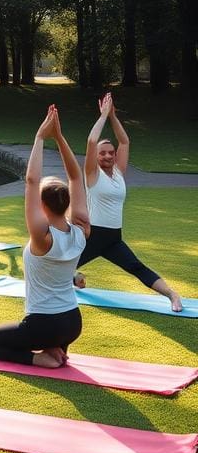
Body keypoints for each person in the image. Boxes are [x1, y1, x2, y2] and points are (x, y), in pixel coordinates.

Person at [0, 105, 90, 368]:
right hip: (73, 323)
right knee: (43, 333)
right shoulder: (81, 229)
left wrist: (39, 138)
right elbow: (76, 176)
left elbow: (31, 180)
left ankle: (39, 358)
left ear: (43, 205)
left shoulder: (42, 237)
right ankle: (56, 349)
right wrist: (58, 137)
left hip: (44, 325)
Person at [76, 93, 183, 311]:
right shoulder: (91, 175)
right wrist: (103, 115)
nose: (107, 156)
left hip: (114, 237)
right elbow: (91, 141)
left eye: (111, 153)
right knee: (57, 268)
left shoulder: (118, 173)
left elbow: (124, 141)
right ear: (95, 157)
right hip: (92, 236)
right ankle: (72, 278)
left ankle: (172, 295)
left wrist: (113, 116)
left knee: (135, 266)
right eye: (102, 153)